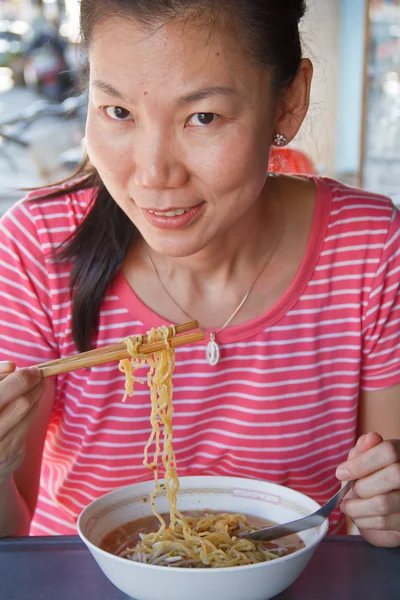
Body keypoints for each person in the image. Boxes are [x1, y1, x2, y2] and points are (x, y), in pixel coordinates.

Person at [0, 0, 399, 547]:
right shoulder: (39, 246)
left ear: (289, 102)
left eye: (203, 117)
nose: (154, 173)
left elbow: (379, 508)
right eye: (117, 112)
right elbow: (11, 534)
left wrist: (386, 512)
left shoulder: (368, 248)